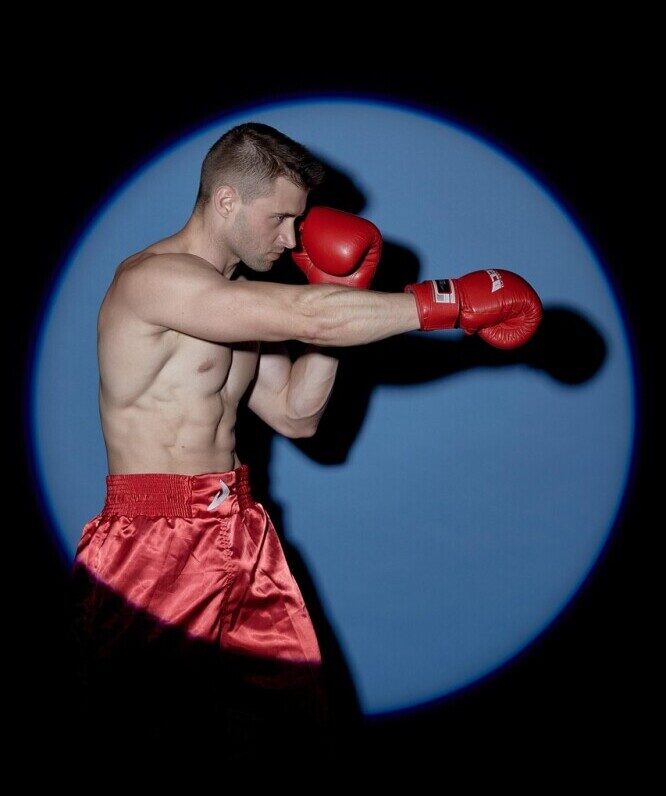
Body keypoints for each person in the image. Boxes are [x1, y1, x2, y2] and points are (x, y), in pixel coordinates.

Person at [68, 122, 542, 764]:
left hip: (240, 529)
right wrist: (448, 302)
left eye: (300, 221)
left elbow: (296, 415)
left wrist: (340, 299)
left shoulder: (237, 304)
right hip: (153, 541)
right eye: (282, 219)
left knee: (289, 734)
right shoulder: (155, 282)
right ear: (227, 199)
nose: (292, 238)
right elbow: (307, 316)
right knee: (146, 738)